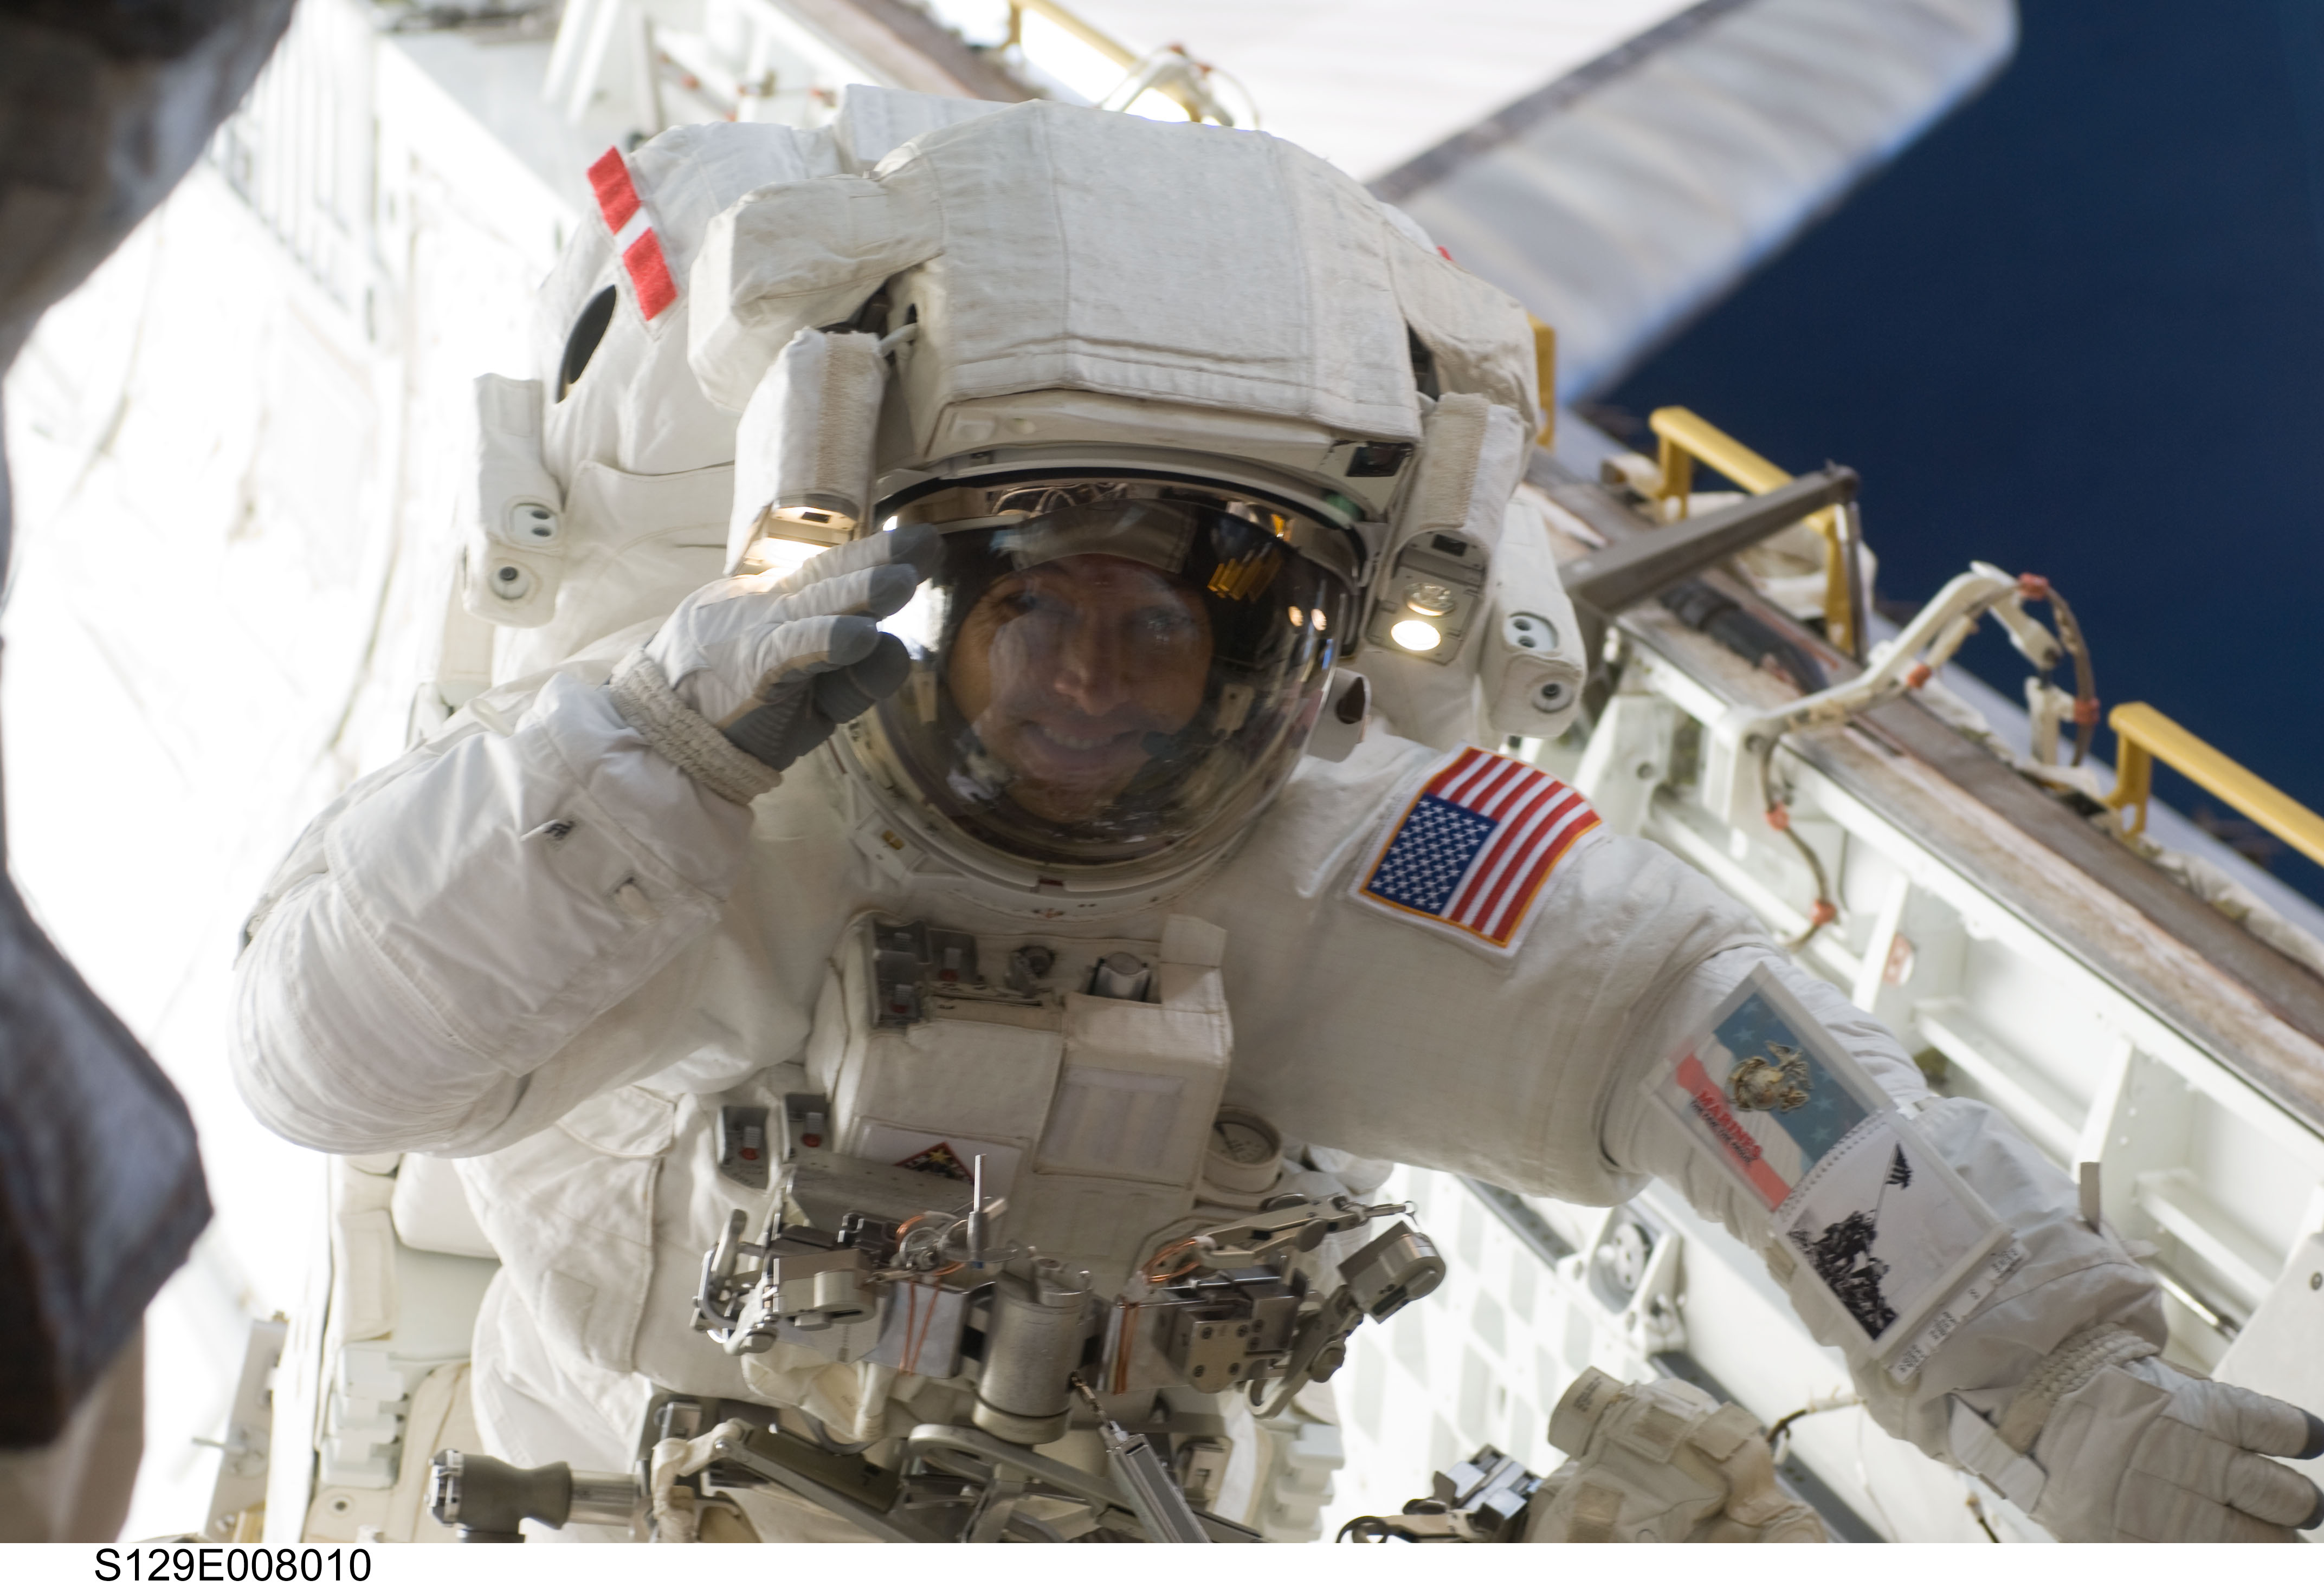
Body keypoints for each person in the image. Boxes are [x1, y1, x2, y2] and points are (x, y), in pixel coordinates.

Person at [232, 90, 2324, 1543]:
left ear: (1297, 658)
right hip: (613, 1490)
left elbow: (1717, 1036)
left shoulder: (1364, 848)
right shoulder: (697, 804)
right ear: (894, 577)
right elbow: (320, 1059)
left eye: (1168, 625)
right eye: (1029, 600)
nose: (1085, 679)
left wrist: (2065, 1391)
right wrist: (667, 748)